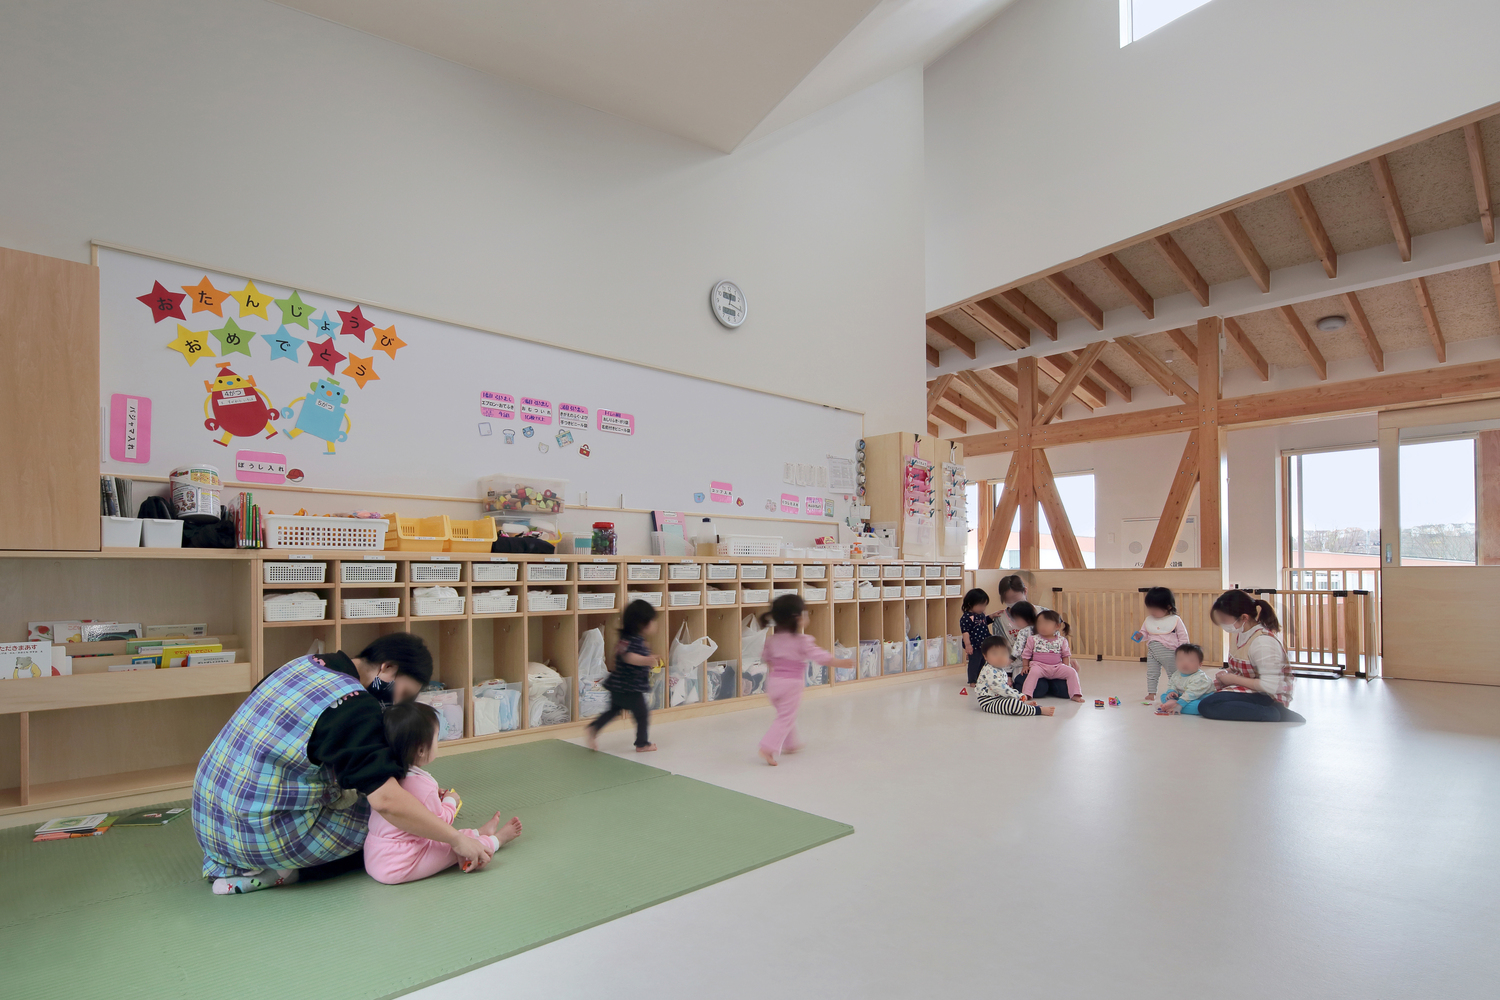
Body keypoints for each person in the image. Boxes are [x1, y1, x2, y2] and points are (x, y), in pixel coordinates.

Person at [193, 633, 495, 895]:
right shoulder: (354, 704)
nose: (395, 704)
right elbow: (387, 802)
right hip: (256, 835)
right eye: (403, 693)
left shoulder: (301, 665)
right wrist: (456, 839)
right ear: (388, 668)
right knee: (388, 828)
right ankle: (279, 871)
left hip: (210, 819)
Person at [364, 701, 522, 884]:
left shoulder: (386, 778)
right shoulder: (423, 786)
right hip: (401, 862)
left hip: (375, 854)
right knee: (452, 848)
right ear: (421, 750)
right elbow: (441, 822)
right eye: (436, 738)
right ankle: (496, 840)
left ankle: (478, 832)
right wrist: (450, 801)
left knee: (445, 838)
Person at [757, 594, 852, 766]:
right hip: (791, 685)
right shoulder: (802, 641)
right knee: (785, 717)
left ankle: (790, 744)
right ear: (798, 618)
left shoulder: (772, 640)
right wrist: (840, 662)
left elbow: (766, 657)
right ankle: (767, 747)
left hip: (773, 684)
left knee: (785, 715)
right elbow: (820, 656)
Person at [1196, 590, 1301, 723]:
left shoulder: (1263, 642)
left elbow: (1270, 686)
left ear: (1244, 617)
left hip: (1268, 695)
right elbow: (1243, 667)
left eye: (1224, 619)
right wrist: (1227, 672)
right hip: (1251, 687)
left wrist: (1233, 679)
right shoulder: (1240, 633)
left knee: (1209, 705)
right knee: (1202, 693)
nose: (1222, 623)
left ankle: (1273, 712)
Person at [584, 599, 659, 752]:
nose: (655, 624)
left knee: (613, 710)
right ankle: (642, 744)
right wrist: (647, 660)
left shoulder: (627, 638)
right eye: (652, 620)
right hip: (630, 687)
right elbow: (629, 657)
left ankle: (594, 727)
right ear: (642, 623)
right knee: (642, 715)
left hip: (618, 685)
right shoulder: (634, 640)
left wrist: (647, 658)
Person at [1134, 586, 1190, 703]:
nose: (1152, 612)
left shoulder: (1175, 620)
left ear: (1168, 607)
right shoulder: (1149, 620)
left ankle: (1177, 692)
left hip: (1170, 653)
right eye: (1150, 609)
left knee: (1174, 674)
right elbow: (1145, 633)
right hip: (1153, 652)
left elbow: (1183, 636)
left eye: (1155, 609)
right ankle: (1151, 693)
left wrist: (1183, 652)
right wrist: (1139, 636)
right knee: (1152, 673)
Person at [974, 636, 1054, 717]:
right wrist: (1017, 695)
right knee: (1013, 704)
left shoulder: (999, 669)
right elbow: (999, 687)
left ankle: (1025, 706)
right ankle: (1038, 710)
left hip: (999, 697)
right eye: (995, 654)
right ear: (985, 656)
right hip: (989, 702)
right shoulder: (989, 670)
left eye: (1003, 653)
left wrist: (1016, 696)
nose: (1000, 657)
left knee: (1012, 701)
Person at [1019, 610, 1084, 702]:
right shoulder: (1033, 639)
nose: (1042, 626)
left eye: (1046, 624)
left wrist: (1066, 666)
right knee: (1033, 672)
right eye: (1040, 623)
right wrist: (1025, 666)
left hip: (1057, 667)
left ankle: (1075, 694)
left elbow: (1066, 655)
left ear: (1057, 626)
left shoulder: (1062, 640)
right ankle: (1027, 694)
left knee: (1072, 672)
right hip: (1039, 666)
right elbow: (1026, 654)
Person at [1155, 644, 1215, 716]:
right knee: (1164, 696)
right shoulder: (1177, 673)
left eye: (1191, 661)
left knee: (1199, 706)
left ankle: (1174, 705)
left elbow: (1191, 694)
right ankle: (1173, 702)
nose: (1185, 663)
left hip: (1199, 698)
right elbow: (1172, 684)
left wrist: (1179, 705)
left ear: (1200, 664)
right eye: (1181, 660)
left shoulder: (1201, 678)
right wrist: (1172, 692)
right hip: (1182, 695)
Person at [959, 588, 999, 691]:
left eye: (984, 605)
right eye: (980, 605)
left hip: (983, 643)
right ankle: (972, 681)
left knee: (982, 662)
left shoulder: (980, 614)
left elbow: (984, 622)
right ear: (970, 604)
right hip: (974, 645)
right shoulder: (966, 618)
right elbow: (965, 633)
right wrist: (968, 645)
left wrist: (992, 616)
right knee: (974, 663)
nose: (983, 608)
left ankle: (980, 679)